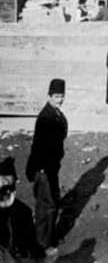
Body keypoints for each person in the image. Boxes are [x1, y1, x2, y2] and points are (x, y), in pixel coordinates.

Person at [25, 78, 68, 255]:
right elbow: (38, 146)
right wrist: (40, 169)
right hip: (44, 169)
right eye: (56, 96)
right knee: (46, 207)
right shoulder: (45, 117)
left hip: (51, 167)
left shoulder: (55, 113)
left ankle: (47, 237)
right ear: (49, 96)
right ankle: (43, 245)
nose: (60, 99)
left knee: (51, 203)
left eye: (62, 96)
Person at [0, 156, 43, 261]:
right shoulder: (23, 212)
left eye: (8, 188)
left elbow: (31, 244)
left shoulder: (23, 213)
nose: (5, 193)